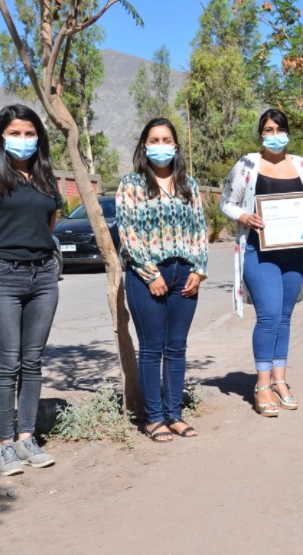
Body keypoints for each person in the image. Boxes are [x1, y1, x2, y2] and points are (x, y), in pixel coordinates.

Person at [0, 104, 63, 475]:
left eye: (29, 133)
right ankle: (6, 445)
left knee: (33, 362)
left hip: (43, 279)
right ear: (0, 137)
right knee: (7, 364)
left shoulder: (46, 178)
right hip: (1, 278)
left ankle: (27, 438)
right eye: (14, 133)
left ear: (38, 137)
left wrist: (36, 258)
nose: (23, 140)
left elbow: (49, 224)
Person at [220, 108, 303, 417]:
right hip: (257, 250)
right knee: (268, 316)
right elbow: (227, 202)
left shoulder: (302, 165)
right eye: (268, 129)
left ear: (288, 132)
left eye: (279, 129)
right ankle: (262, 385)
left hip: (293, 252)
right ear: (260, 133)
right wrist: (245, 216)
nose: (274, 135)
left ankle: (280, 380)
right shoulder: (248, 164)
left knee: (284, 316)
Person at [116, 118, 208, 442]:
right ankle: (153, 418)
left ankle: (174, 414)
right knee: (152, 349)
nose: (160, 145)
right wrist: (150, 273)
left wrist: (198, 269)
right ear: (144, 145)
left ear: (176, 146)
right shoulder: (132, 184)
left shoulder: (189, 185)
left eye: (166, 139)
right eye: (153, 139)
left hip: (185, 274)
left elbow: (199, 230)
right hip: (147, 276)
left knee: (177, 348)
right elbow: (128, 234)